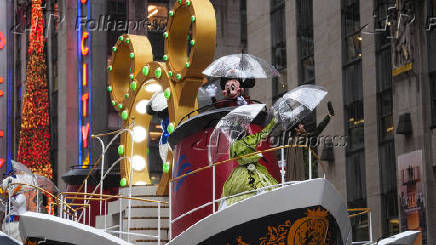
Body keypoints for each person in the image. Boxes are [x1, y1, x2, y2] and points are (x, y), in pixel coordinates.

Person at [220, 116, 279, 208]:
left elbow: (234, 157)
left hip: (246, 171)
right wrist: (255, 156)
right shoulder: (245, 141)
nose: (247, 127)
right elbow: (264, 133)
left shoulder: (236, 144)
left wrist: (273, 122)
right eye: (244, 126)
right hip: (249, 170)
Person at [285, 101, 335, 181]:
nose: (303, 126)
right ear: (296, 129)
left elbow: (318, 129)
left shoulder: (295, 139)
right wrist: (329, 116)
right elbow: (318, 130)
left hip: (304, 171)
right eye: (300, 125)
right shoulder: (299, 138)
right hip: (304, 172)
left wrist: (328, 116)